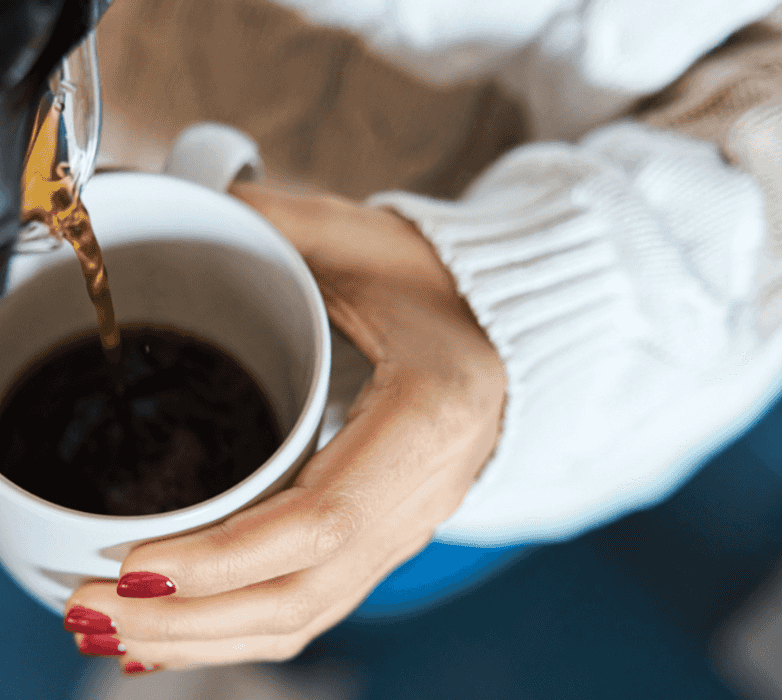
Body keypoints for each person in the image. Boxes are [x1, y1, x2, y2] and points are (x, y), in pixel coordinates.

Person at [64, 0, 782, 675]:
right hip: (101, 125)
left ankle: (263, 663)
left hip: (524, 399)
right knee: (253, 575)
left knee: (353, 575)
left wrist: (543, 298)